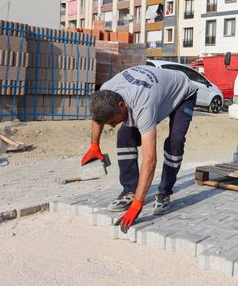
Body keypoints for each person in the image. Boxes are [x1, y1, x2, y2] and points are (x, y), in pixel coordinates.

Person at [81, 65, 197, 233]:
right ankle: (130, 189)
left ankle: (164, 192)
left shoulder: (143, 105)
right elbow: (97, 118)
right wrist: (94, 145)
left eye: (113, 120)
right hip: (153, 90)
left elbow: (150, 160)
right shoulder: (106, 91)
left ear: (121, 105)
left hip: (183, 93)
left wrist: (138, 204)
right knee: (124, 135)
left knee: (175, 142)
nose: (112, 125)